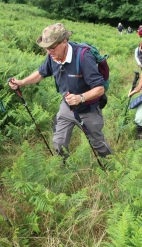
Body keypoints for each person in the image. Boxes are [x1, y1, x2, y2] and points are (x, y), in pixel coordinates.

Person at [8, 23, 112, 161]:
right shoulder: (52, 56)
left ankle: (112, 167)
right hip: (66, 107)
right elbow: (41, 73)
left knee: (98, 144)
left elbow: (100, 89)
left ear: (64, 41)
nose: (49, 52)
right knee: (59, 142)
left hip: (88, 109)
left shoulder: (83, 56)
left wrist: (80, 98)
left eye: (52, 47)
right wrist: (21, 82)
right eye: (46, 49)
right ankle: (64, 168)